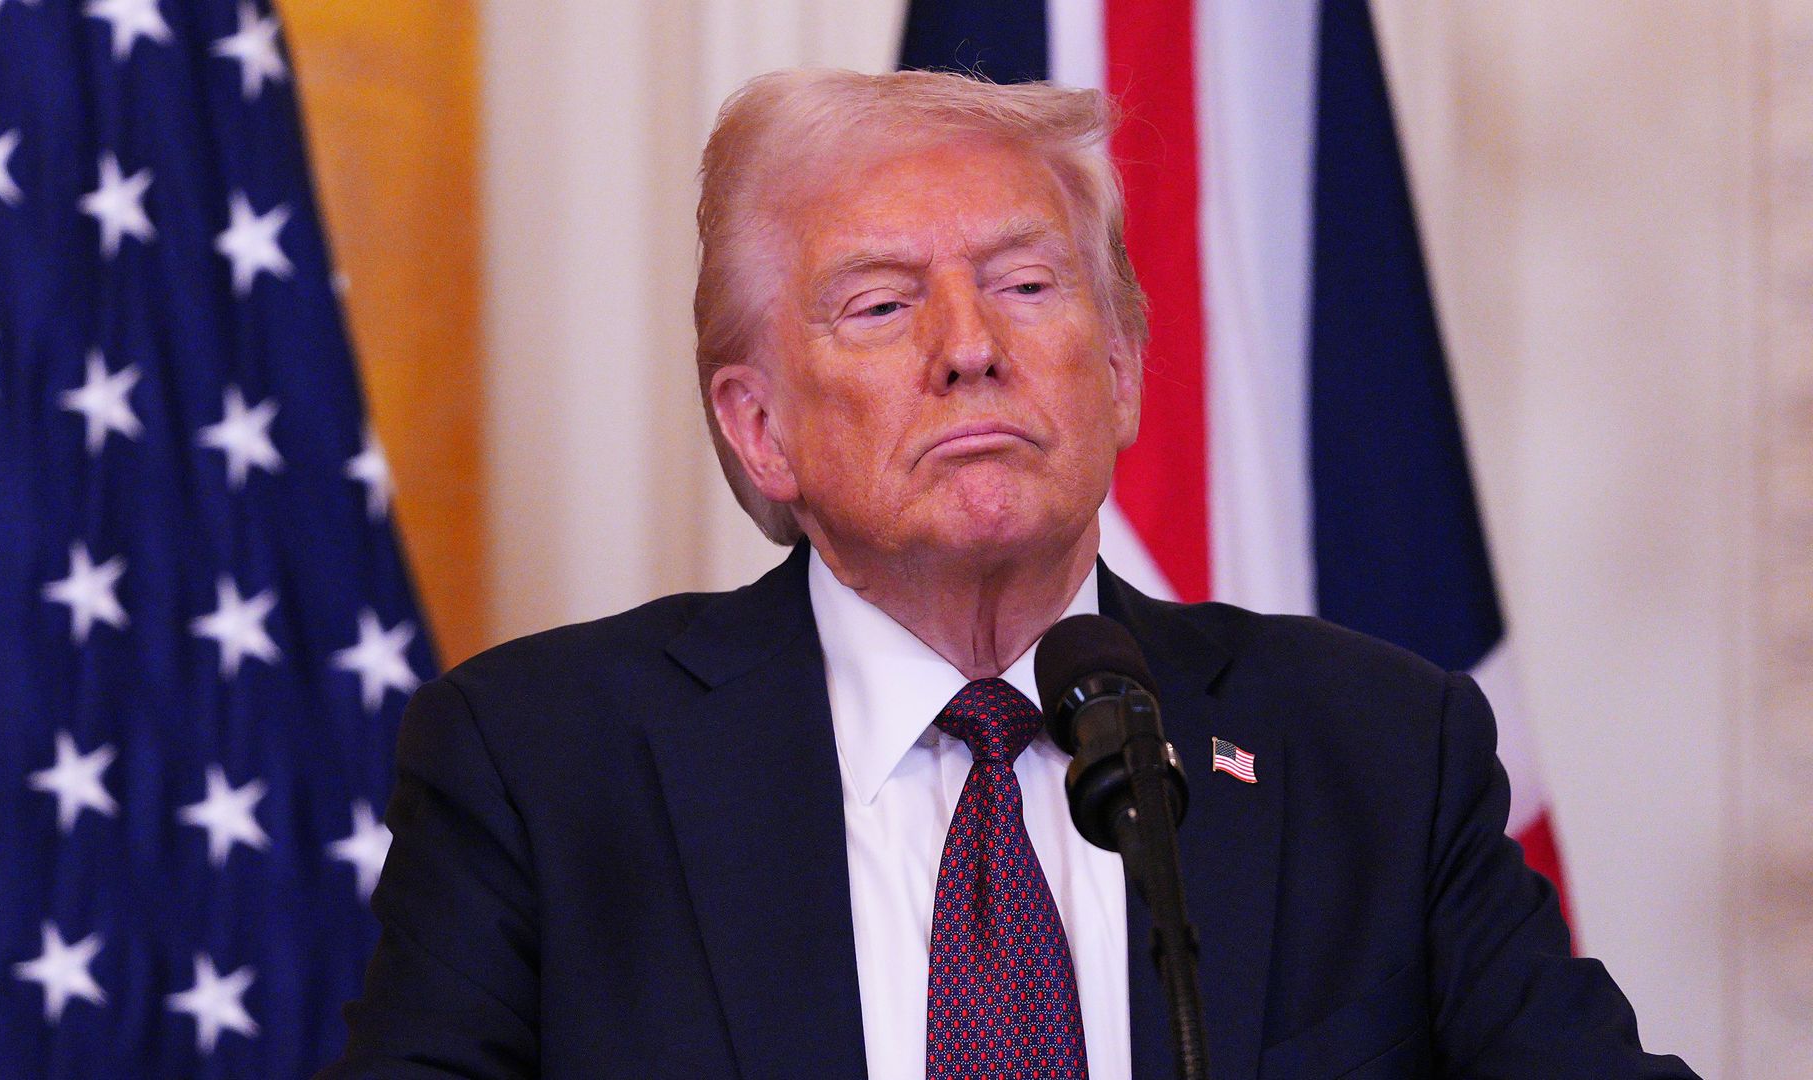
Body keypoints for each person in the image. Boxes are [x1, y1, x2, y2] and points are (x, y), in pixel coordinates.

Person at [321, 69, 1696, 1079]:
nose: (969, 346)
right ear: (759, 427)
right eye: (881, 303)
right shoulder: (547, 764)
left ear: (1122, 375)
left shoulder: (1373, 750)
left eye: (1028, 286)